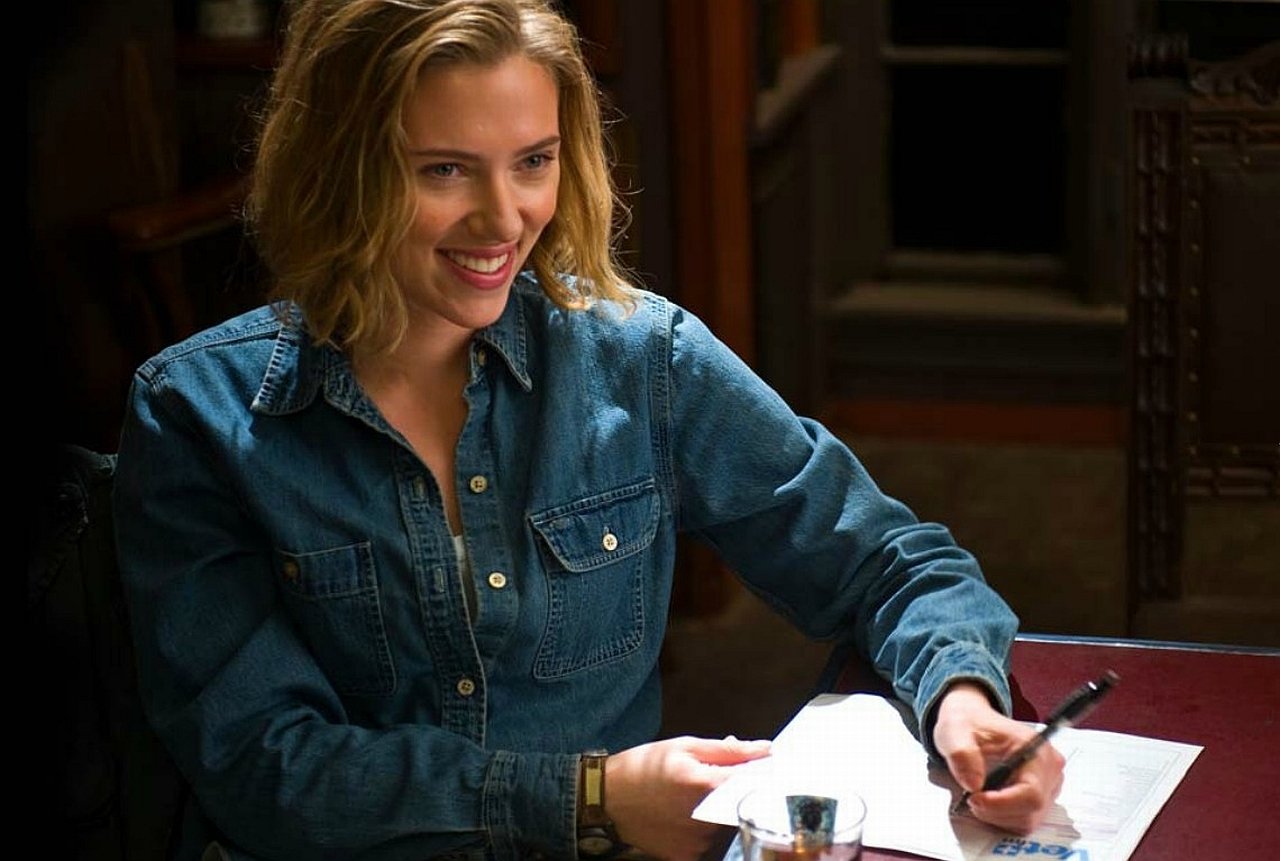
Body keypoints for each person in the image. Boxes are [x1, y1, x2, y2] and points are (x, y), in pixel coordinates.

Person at [112, 1, 1066, 859]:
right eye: (443, 170)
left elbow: (888, 560)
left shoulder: (640, 358)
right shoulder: (195, 414)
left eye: (534, 160)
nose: (505, 218)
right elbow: (268, 772)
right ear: (337, 170)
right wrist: (589, 801)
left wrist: (963, 702)